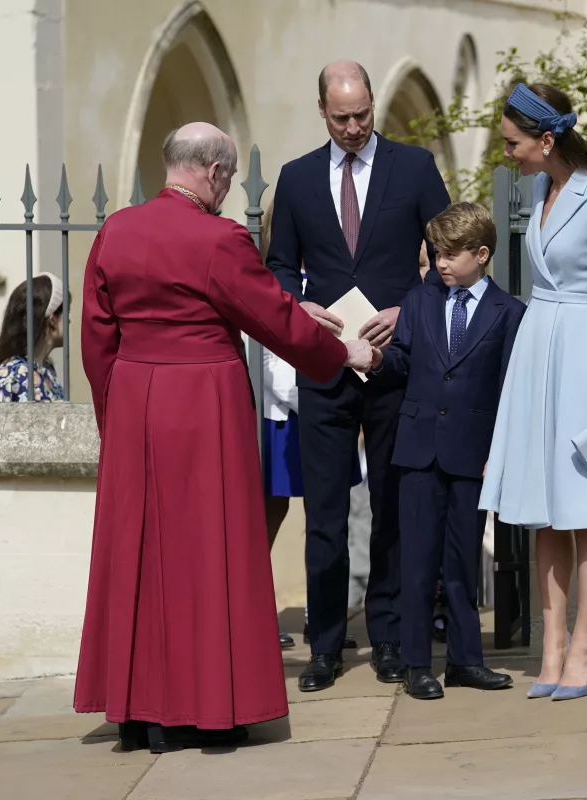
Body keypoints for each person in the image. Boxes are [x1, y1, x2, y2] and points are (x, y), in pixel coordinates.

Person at [74, 121, 375, 754]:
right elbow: (273, 322)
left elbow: (98, 339)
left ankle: (140, 712)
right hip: (203, 402)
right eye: (229, 179)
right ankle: (207, 710)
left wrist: (117, 417)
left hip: (134, 400)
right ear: (212, 172)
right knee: (210, 554)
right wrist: (342, 348)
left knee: (143, 558)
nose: (228, 190)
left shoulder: (116, 231)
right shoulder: (220, 238)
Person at [266, 60, 451, 692]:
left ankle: (392, 639)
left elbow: (448, 257)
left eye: (363, 114)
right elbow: (280, 268)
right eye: (341, 116)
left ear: (372, 104)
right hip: (325, 364)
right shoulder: (295, 180)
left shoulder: (415, 168)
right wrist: (298, 306)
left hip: (395, 363)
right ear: (322, 110)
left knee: (394, 505)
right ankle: (324, 646)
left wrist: (408, 311)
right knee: (324, 512)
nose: (353, 126)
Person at [479, 84, 587, 702]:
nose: (508, 154)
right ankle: (550, 649)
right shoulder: (537, 190)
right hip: (539, 351)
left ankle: (585, 644)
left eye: (513, 142)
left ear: (546, 139)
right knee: (542, 510)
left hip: (584, 359)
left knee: (585, 509)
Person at [369, 202, 525, 700]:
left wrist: (498, 452)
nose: (440, 263)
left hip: (471, 453)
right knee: (417, 559)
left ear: (481, 254)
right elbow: (402, 359)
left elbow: (509, 389)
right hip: (417, 451)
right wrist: (375, 359)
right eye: (436, 252)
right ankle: (417, 663)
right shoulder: (418, 301)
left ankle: (465, 661)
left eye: (451, 254)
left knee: (461, 562)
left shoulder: (510, 312)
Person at [260, 341, 362, 649]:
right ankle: (256, 615)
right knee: (269, 513)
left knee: (325, 514)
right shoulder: (272, 288)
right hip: (282, 412)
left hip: (327, 408)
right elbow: (265, 357)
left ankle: (320, 615)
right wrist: (314, 401)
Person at [0, 272, 68, 402]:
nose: (69, 320)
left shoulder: (47, 370)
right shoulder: (12, 373)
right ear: (52, 320)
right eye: (67, 312)